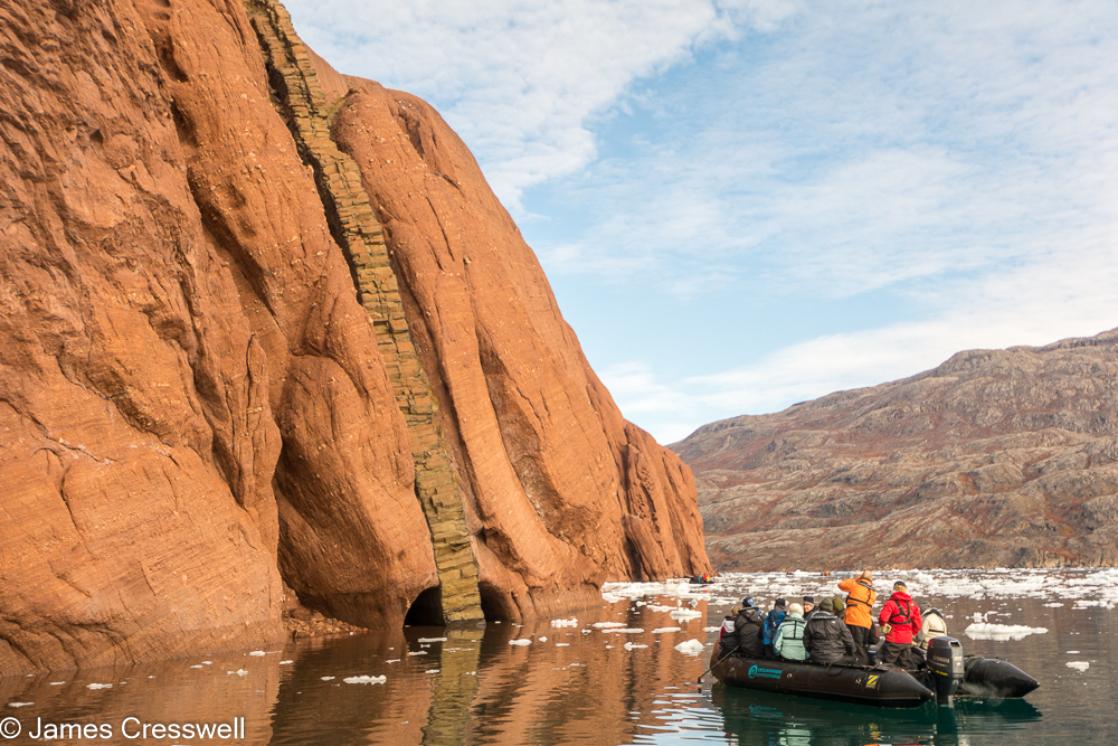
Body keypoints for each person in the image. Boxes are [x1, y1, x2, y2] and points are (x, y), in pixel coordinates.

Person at [879, 581, 923, 668]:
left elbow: (883, 618)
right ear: (906, 590)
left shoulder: (890, 603)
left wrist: (883, 625)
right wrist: (912, 633)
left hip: (893, 640)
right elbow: (918, 624)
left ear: (894, 590)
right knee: (905, 665)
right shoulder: (913, 605)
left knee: (889, 663)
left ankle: (889, 680)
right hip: (906, 641)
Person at [803, 595, 858, 665]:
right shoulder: (838, 622)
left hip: (816, 657)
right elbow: (849, 641)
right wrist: (851, 652)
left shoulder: (811, 622)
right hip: (836, 658)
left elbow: (806, 641)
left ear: (820, 607)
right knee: (854, 659)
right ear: (831, 609)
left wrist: (813, 651)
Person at [838, 570, 877, 664]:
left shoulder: (855, 585)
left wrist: (857, 578)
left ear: (861, 577)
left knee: (855, 646)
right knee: (862, 646)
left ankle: (858, 665)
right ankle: (864, 664)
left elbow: (841, 585)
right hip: (866, 623)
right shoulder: (872, 591)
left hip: (854, 620)